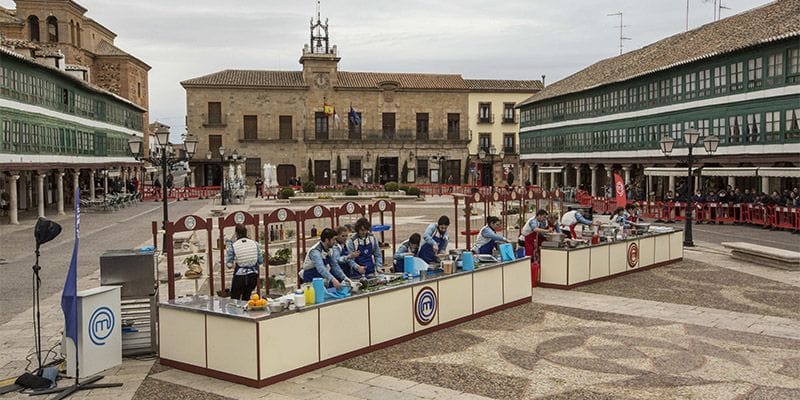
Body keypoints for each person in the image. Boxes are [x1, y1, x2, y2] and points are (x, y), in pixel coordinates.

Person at [225, 224, 264, 301]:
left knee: (234, 299)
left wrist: (231, 264)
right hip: (253, 276)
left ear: (236, 233)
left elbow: (229, 264)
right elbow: (260, 261)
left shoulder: (233, 246)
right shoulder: (255, 244)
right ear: (246, 233)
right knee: (246, 298)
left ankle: (235, 312)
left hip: (240, 277)